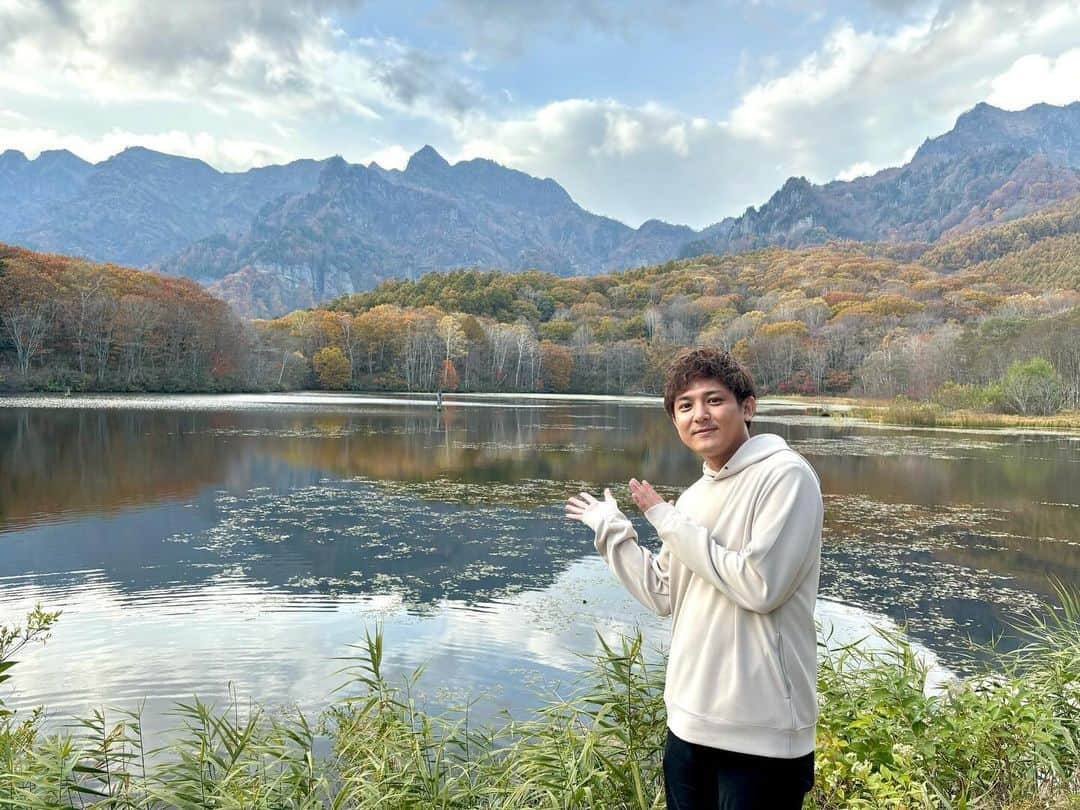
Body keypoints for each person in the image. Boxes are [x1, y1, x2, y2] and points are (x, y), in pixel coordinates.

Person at [564, 347, 822, 809]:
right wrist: (613, 531)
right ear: (675, 421)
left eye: (713, 400)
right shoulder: (695, 496)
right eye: (685, 406)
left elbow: (760, 587)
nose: (699, 415)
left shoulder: (785, 476)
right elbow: (665, 593)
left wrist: (666, 519)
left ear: (747, 407)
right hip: (688, 726)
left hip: (762, 738)